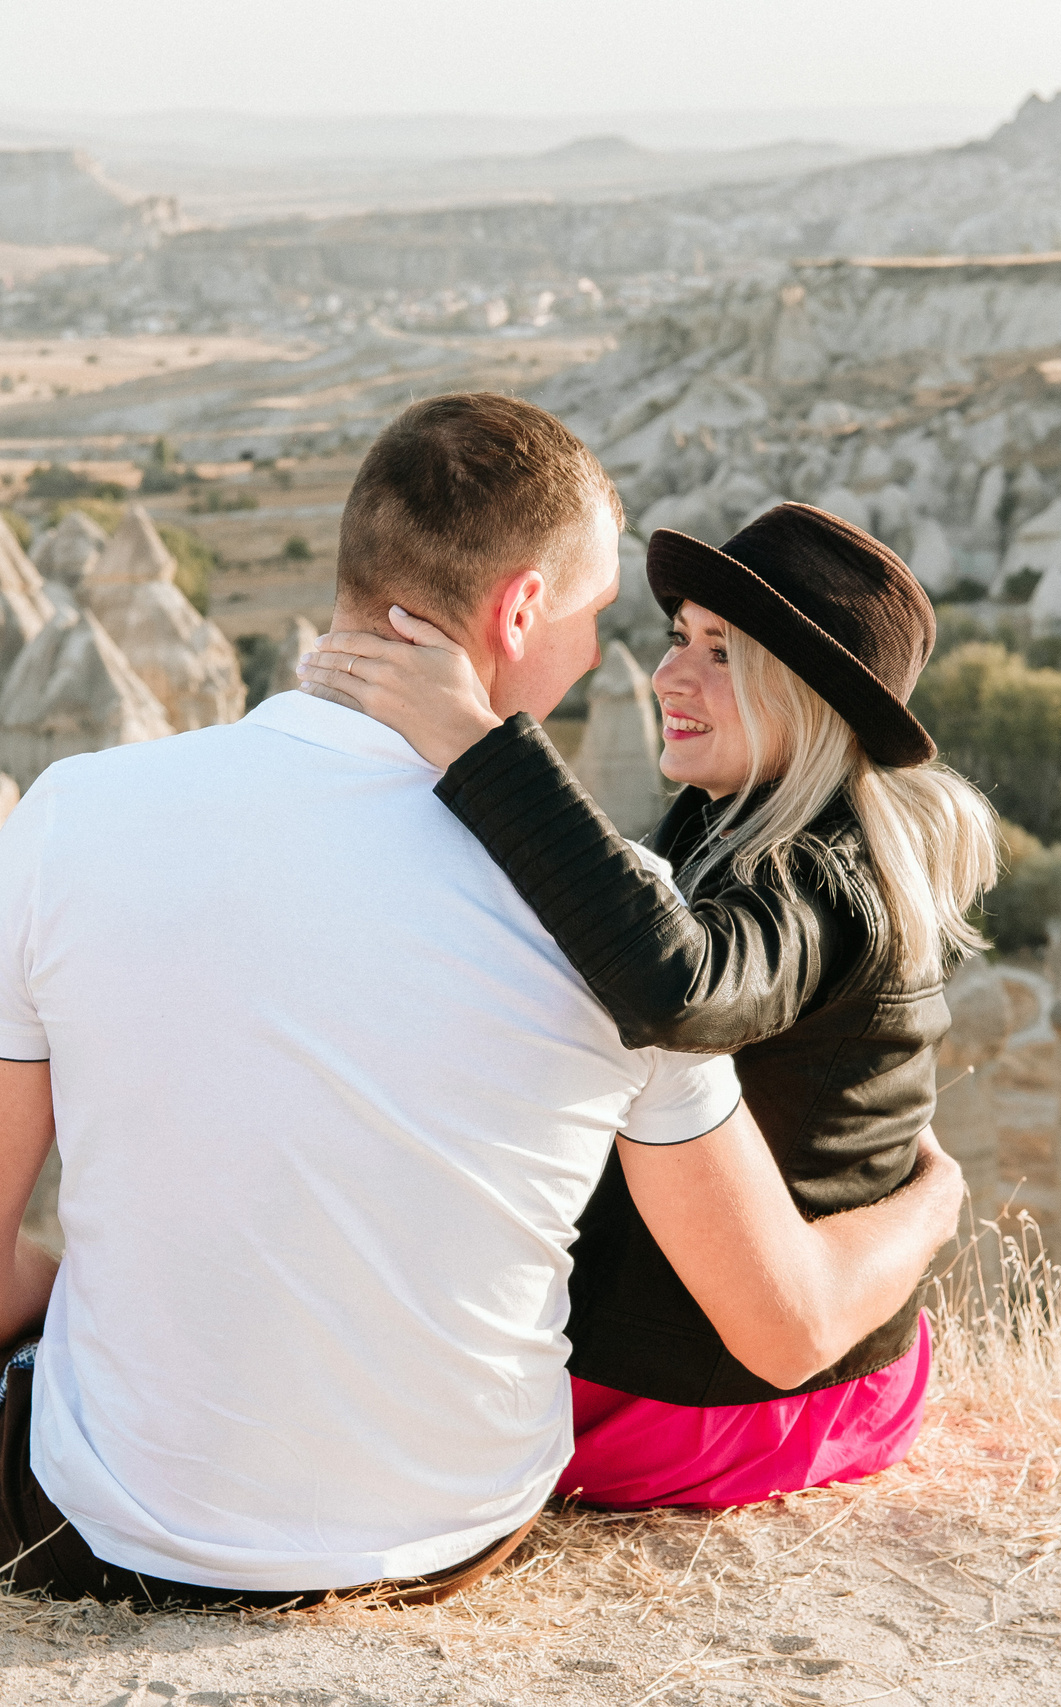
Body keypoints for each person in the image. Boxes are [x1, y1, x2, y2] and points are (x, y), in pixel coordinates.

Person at [0, 396, 964, 1608]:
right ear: (519, 612)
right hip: (465, 1522)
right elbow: (775, 1307)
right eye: (603, 617)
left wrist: (121, 1298)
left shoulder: (74, 816)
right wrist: (929, 1200)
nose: (610, 655)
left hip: (120, 1524)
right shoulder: (612, 903)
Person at [300, 499, 1002, 1509]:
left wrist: (477, 741)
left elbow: (676, 989)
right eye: (679, 638)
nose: (672, 674)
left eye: (723, 654)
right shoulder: (726, 827)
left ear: (802, 693)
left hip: (727, 1407)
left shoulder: (822, 876)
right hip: (789, 1375)